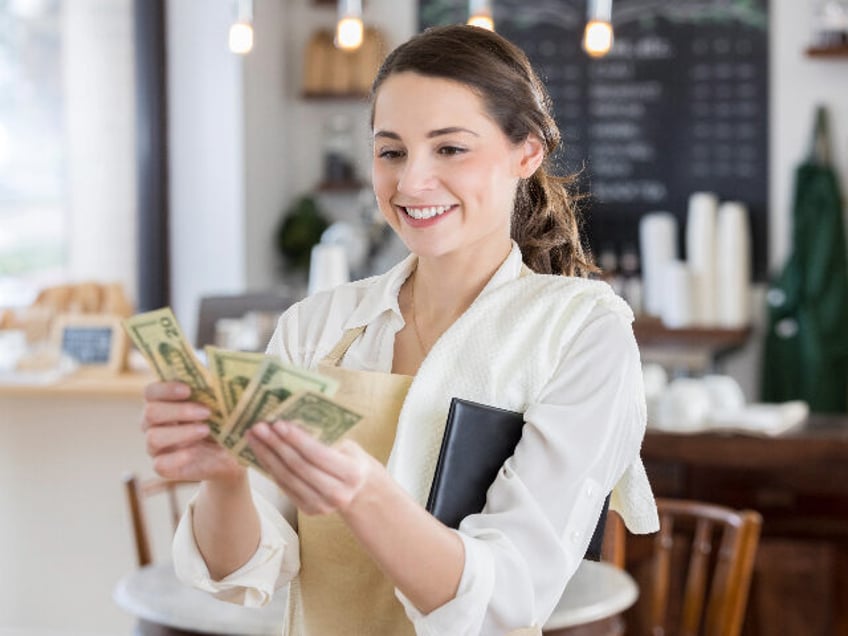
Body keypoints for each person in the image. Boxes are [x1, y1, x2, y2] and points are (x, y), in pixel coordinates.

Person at [142, 24, 658, 636]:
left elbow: (508, 596)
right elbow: (245, 575)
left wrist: (364, 493)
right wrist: (225, 477)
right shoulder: (315, 326)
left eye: (450, 149)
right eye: (391, 152)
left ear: (528, 152)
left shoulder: (582, 332)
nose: (411, 182)